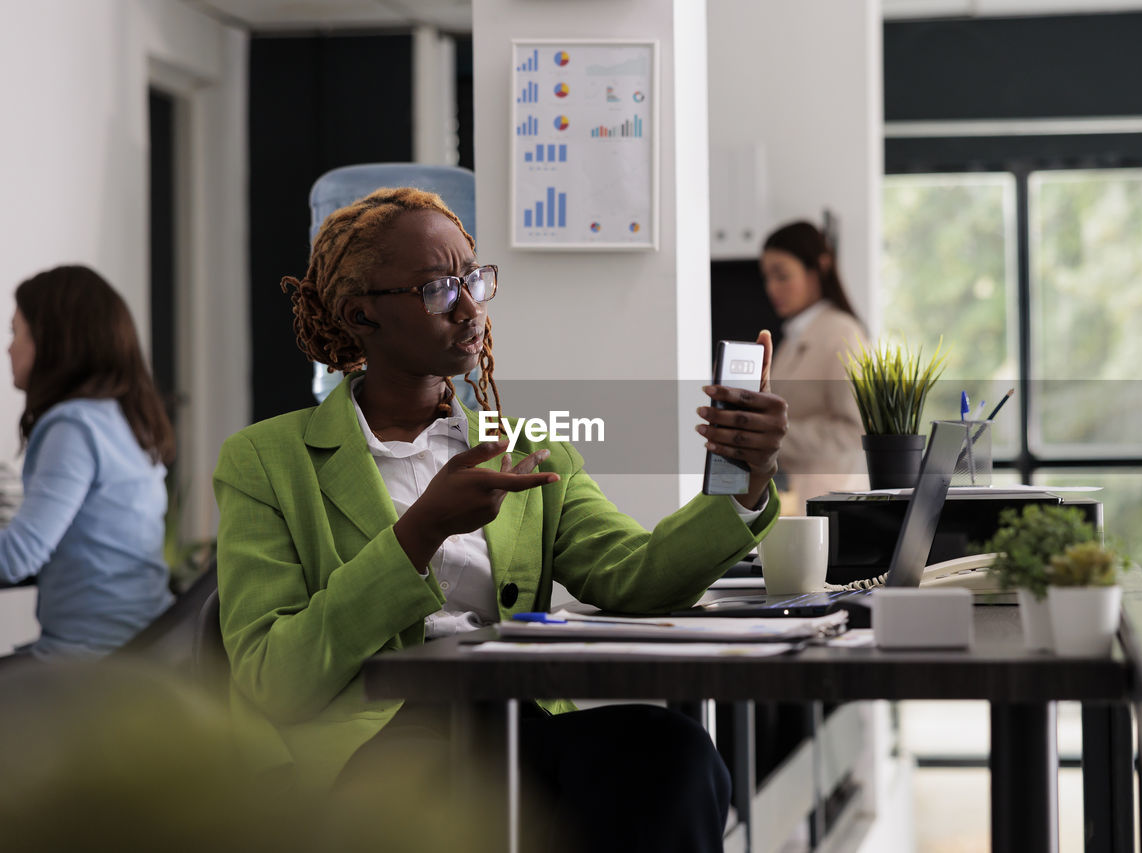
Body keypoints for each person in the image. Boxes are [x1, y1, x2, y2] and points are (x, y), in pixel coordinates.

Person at [213, 187, 787, 852]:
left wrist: (743, 477)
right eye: (436, 289)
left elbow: (638, 576)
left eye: (474, 279)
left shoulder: (527, 451)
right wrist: (417, 534)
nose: (468, 306)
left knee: (675, 756)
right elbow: (270, 678)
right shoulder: (265, 461)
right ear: (361, 314)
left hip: (517, 724)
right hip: (377, 747)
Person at [0, 265, 174, 661]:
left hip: (93, 665)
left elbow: (16, 557)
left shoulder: (74, 426)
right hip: (146, 651)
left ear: (52, 340)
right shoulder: (123, 419)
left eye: (15, 332)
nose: (8, 347)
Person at [760, 221, 870, 511]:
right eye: (767, 278)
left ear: (819, 268)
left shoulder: (842, 333)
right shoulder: (792, 337)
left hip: (833, 501)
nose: (772, 288)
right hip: (798, 499)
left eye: (782, 276)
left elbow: (856, 431)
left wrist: (771, 436)